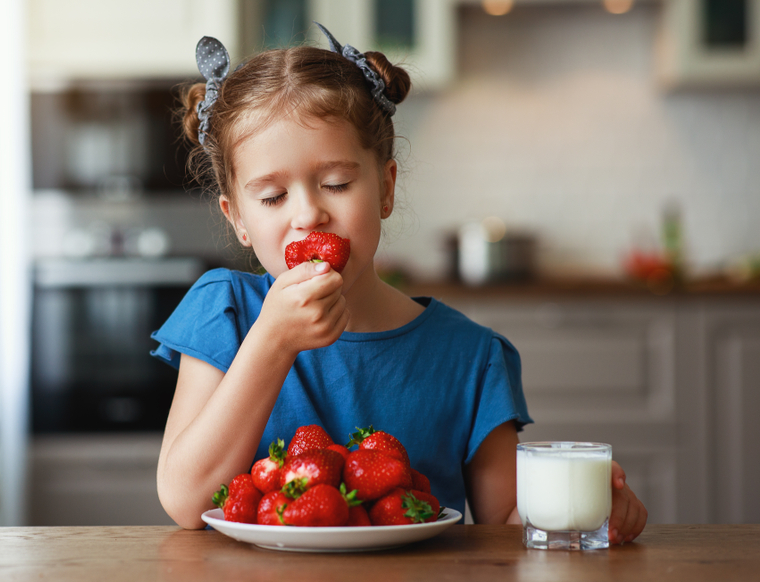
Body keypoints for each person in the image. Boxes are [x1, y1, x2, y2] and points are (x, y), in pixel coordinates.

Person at [151, 25, 648, 540]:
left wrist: (587, 508)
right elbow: (186, 501)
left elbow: (503, 525)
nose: (308, 214)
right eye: (273, 196)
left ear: (385, 189)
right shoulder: (225, 312)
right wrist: (271, 343)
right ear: (238, 220)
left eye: (337, 184)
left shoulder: (472, 358)